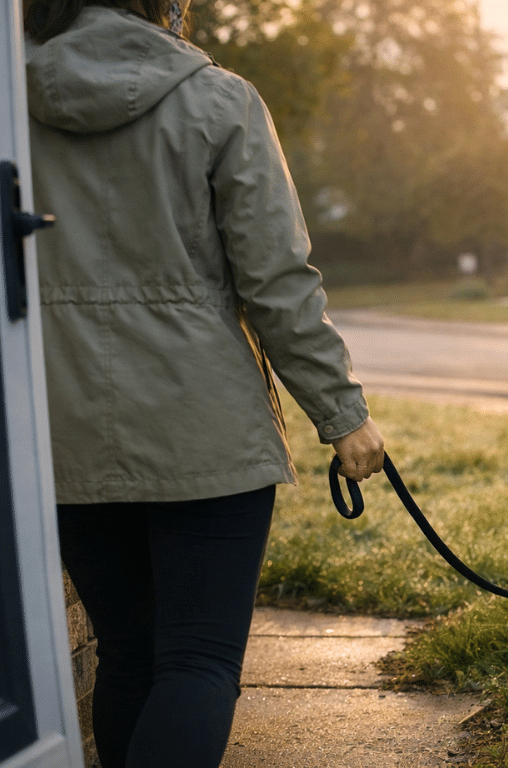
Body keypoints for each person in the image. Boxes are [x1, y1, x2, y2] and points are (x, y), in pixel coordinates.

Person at [23, 1, 386, 765]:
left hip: (63, 431)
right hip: (206, 436)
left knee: (128, 654)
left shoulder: (10, 105)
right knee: (195, 662)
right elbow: (277, 280)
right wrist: (342, 414)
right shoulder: (218, 100)